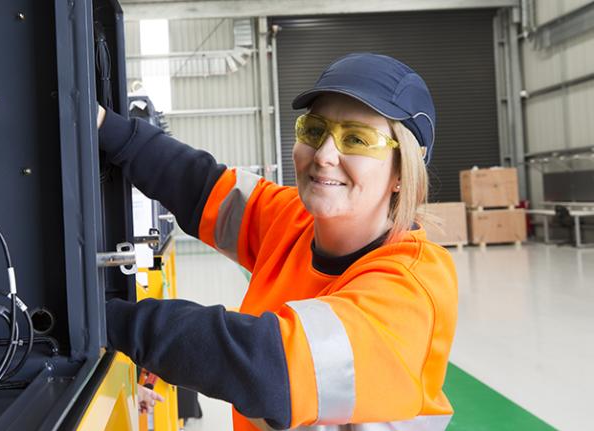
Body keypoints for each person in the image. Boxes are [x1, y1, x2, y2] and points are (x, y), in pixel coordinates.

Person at [98, 53, 457, 430]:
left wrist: (101, 317)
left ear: (403, 171)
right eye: (315, 130)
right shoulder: (296, 222)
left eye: (356, 139)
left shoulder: (413, 285)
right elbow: (200, 188)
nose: (324, 155)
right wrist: (107, 127)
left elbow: (269, 367)